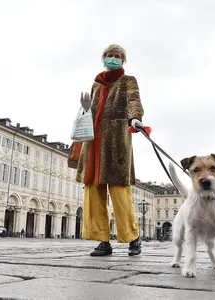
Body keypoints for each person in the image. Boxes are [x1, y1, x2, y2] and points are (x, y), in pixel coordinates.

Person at [75, 44, 146, 256]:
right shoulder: (96, 85)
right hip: (94, 141)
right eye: (109, 55)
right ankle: (102, 241)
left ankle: (134, 238)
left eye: (117, 56)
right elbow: (90, 113)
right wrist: (85, 108)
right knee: (93, 192)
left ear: (122, 60)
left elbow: (134, 99)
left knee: (119, 191)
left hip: (116, 140)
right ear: (103, 58)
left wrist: (136, 117)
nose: (113, 58)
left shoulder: (127, 80)